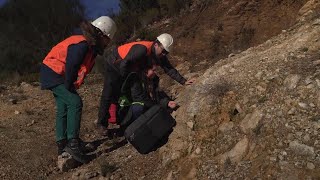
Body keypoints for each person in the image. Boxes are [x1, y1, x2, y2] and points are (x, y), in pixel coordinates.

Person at [40, 16, 117, 163]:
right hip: (53, 72)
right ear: (101, 34)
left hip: (54, 73)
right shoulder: (82, 44)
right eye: (108, 39)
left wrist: (71, 84)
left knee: (63, 107)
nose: (108, 43)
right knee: (75, 102)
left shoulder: (89, 47)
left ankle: (63, 144)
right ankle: (73, 145)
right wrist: (69, 85)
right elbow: (71, 65)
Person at [96, 33, 195, 135]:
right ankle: (101, 124)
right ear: (156, 44)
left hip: (129, 67)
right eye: (163, 51)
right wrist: (129, 80)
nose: (164, 54)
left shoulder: (158, 54)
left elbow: (169, 69)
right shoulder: (142, 50)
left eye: (166, 52)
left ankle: (121, 118)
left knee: (131, 94)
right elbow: (125, 63)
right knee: (109, 92)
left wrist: (183, 81)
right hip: (114, 63)